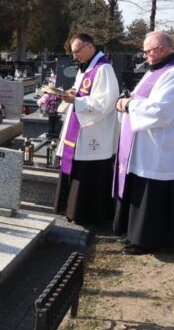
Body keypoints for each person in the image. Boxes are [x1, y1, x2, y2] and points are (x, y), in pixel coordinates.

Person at [114, 31, 174, 255]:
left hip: (158, 147)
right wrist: (127, 102)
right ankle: (134, 236)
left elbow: (162, 111)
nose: (145, 55)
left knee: (152, 196)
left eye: (148, 51)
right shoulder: (154, 72)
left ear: (162, 50)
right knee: (140, 191)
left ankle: (148, 241)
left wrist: (129, 105)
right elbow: (141, 100)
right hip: (142, 145)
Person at [53, 33, 119, 225]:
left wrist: (78, 100)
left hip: (93, 131)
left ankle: (87, 215)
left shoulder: (103, 69)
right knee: (75, 168)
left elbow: (105, 102)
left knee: (87, 172)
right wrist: (73, 94)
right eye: (72, 52)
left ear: (89, 47)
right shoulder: (87, 68)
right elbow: (81, 91)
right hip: (79, 127)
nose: (74, 56)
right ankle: (71, 210)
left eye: (76, 52)